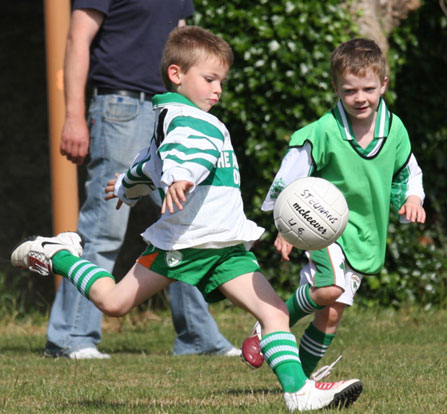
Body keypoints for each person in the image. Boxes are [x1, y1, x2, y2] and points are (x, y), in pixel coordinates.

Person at [12, 26, 362, 412]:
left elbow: (149, 163)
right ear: (176, 74)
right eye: (210, 79)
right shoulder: (190, 120)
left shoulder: (174, 116)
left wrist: (127, 184)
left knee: (274, 312)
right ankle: (59, 253)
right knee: (113, 302)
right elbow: (187, 155)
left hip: (223, 244)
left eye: (221, 82)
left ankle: (299, 394)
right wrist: (183, 176)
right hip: (187, 244)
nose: (218, 90)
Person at [45, 0, 240, 360]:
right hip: (122, 106)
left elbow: (181, 40)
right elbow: (77, 39)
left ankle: (197, 337)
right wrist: (73, 114)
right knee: (105, 227)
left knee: (187, 227)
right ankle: (72, 336)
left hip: (175, 111)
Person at [241, 38, 426, 379]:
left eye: (368, 88)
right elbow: (290, 178)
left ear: (383, 84)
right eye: (350, 90)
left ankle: (304, 378)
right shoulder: (323, 131)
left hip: (365, 231)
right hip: (324, 227)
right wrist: (286, 227)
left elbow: (407, 169)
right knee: (330, 289)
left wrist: (413, 198)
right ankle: (269, 323)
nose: (360, 98)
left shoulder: (395, 129)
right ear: (335, 88)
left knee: (332, 312)